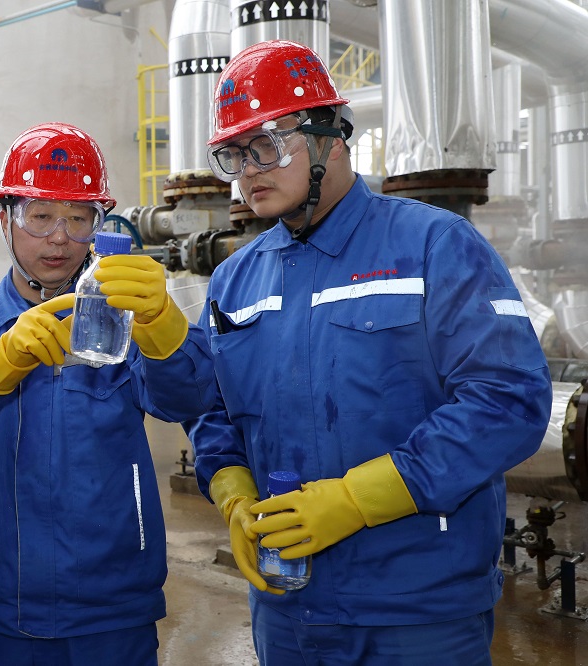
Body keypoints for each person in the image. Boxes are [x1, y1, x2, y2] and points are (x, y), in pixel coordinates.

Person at [186, 40, 553, 665]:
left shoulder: (435, 245)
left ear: (330, 138)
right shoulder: (235, 279)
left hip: (416, 610)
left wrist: (360, 499)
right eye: (234, 154)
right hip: (287, 605)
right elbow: (213, 407)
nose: (248, 170)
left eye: (266, 144)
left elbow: (508, 402)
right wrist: (233, 492)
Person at [0, 122, 215, 665]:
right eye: (40, 215)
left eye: (78, 218)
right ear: (5, 220)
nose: (59, 237)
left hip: (110, 603)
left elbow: (186, 401)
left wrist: (163, 325)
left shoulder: (124, 317)